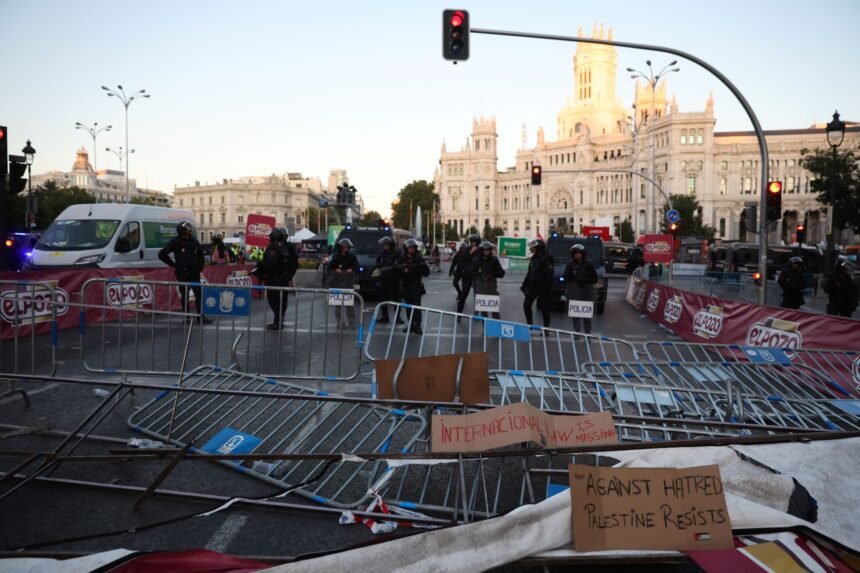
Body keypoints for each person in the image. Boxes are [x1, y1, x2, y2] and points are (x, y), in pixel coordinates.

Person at [158, 221, 211, 324]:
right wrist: (174, 265)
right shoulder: (175, 242)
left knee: (198, 294)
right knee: (185, 295)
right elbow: (162, 254)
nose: (190, 230)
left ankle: (200, 316)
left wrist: (199, 268)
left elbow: (201, 256)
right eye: (187, 228)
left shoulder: (194, 241)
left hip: (194, 273)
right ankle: (186, 317)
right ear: (182, 230)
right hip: (182, 273)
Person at [252, 228, 299, 330]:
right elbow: (294, 263)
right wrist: (289, 276)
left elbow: (270, 264)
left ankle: (278, 321)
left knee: (274, 300)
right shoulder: (288, 247)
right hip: (283, 278)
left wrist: (260, 265)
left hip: (274, 278)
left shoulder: (273, 248)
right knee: (282, 300)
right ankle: (279, 319)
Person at [563, 244, 598, 334]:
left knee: (586, 315)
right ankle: (577, 331)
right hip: (574, 293)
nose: (577, 255)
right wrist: (574, 281)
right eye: (575, 253)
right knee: (575, 314)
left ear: (583, 254)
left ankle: (587, 332)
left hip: (587, 294)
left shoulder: (589, 264)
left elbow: (595, 278)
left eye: (579, 253)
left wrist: (585, 281)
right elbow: (565, 277)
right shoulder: (570, 265)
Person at [398, 239, 430, 334]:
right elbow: (396, 269)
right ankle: (411, 324)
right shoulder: (402, 258)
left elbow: (426, 272)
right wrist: (403, 268)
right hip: (405, 285)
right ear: (406, 248)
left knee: (417, 307)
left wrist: (417, 268)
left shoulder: (419, 259)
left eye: (413, 247)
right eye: (410, 247)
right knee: (408, 307)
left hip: (415, 285)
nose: (412, 249)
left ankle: (418, 326)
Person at [468, 241, 505, 320]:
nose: (487, 251)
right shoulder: (476, 260)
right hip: (480, 288)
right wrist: (480, 273)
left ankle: (496, 326)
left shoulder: (494, 259)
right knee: (484, 312)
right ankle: (485, 326)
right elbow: (470, 272)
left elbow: (502, 273)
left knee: (495, 311)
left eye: (489, 250)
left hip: (492, 288)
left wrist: (491, 274)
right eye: (486, 250)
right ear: (482, 250)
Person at [522, 238, 554, 328]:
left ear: (539, 248)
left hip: (543, 287)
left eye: (534, 247)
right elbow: (530, 272)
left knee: (545, 309)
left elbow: (549, 275)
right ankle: (529, 325)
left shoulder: (547, 258)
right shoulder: (534, 258)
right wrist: (525, 284)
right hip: (533, 286)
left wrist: (547, 289)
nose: (531, 249)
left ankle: (546, 328)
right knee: (526, 305)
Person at [327, 238, 359, 329]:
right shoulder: (336, 256)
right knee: (338, 304)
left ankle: (351, 321)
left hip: (348, 282)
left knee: (349, 304)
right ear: (340, 247)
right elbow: (329, 268)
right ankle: (339, 322)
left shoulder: (352, 256)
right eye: (344, 247)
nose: (345, 248)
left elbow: (357, 267)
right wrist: (336, 269)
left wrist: (351, 269)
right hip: (338, 282)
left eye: (347, 247)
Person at [375, 236, 402, 324]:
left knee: (396, 299)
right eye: (384, 245)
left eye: (386, 244)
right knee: (383, 298)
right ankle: (385, 316)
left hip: (394, 279)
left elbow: (399, 264)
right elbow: (377, 263)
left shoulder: (397, 253)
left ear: (390, 245)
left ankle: (398, 318)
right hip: (384, 278)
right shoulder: (382, 253)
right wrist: (380, 267)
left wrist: (392, 266)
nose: (384, 246)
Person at [452, 234, 481, 314]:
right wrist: (470, 253)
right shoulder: (466, 250)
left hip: (476, 276)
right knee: (463, 295)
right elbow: (461, 259)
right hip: (467, 275)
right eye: (471, 241)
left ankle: (476, 312)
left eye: (474, 241)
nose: (472, 243)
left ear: (477, 242)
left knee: (477, 295)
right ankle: (459, 313)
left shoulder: (480, 251)